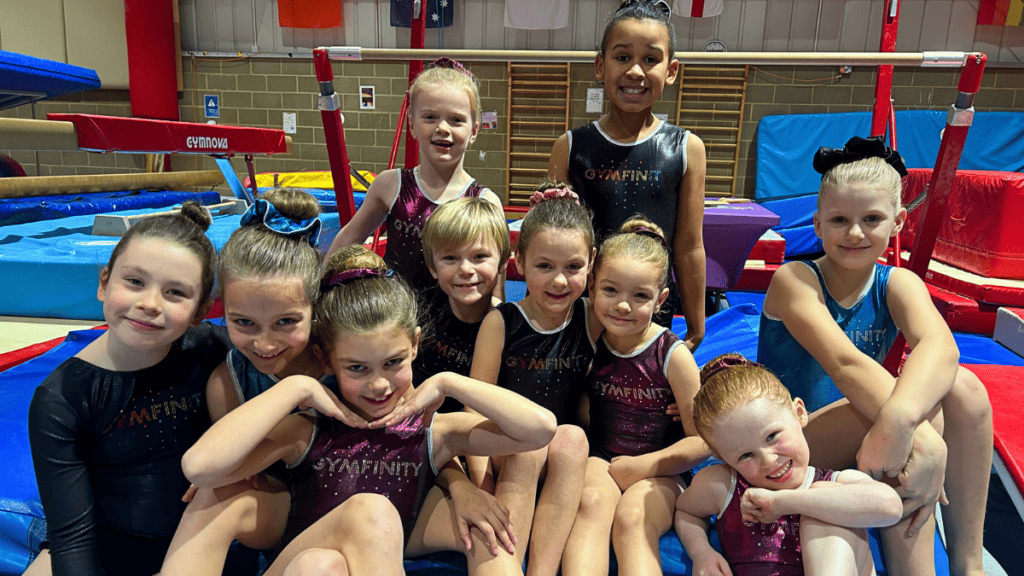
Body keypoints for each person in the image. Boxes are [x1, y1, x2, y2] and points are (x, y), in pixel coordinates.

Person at [179, 246, 558, 576]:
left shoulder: (432, 430)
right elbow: (199, 467)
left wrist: (447, 382)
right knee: (333, 550)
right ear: (326, 360)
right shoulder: (308, 429)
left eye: (393, 362)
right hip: (302, 562)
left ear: (414, 347)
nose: (379, 385)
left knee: (484, 533)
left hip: (394, 541)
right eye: (357, 369)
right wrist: (299, 387)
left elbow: (540, 430)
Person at [757, 136, 993, 576]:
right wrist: (921, 438)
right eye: (840, 220)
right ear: (817, 223)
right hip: (791, 441)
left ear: (898, 221)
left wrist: (903, 423)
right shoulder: (796, 280)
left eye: (871, 219)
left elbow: (941, 347)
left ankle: (968, 561)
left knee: (965, 390)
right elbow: (843, 364)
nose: (855, 233)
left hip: (866, 438)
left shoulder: (896, 284)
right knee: (915, 431)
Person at [26, 202, 227, 576]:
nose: (149, 304)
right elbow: (72, 538)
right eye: (134, 282)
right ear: (104, 283)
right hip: (109, 551)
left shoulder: (212, 349)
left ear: (201, 310)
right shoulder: (63, 399)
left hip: (202, 545)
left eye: (175, 293)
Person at [160, 188, 327, 576]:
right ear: (223, 311)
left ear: (314, 308)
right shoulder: (229, 383)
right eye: (244, 323)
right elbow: (240, 474)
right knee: (213, 496)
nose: (265, 344)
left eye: (286, 322)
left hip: (365, 497)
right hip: (289, 506)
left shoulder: (349, 361)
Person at [547, 0, 707, 348]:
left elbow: (690, 245)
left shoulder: (686, 148)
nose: (636, 71)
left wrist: (696, 325)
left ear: (671, 70)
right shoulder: (571, 146)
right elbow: (552, 240)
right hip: (584, 316)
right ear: (600, 66)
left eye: (650, 59)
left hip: (649, 316)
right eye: (622, 58)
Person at [563, 216, 709, 576]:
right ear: (592, 286)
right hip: (604, 457)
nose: (623, 306)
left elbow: (702, 442)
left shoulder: (671, 355)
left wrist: (643, 466)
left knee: (632, 517)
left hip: (662, 469)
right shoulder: (589, 341)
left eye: (639, 295)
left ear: (660, 300)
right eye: (611, 291)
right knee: (591, 502)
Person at [675, 354, 903, 576]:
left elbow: (890, 506)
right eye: (745, 455)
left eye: (772, 436)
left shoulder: (836, 482)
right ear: (722, 457)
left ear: (800, 413)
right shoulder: (725, 485)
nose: (768, 461)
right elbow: (686, 512)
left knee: (824, 500)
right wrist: (701, 553)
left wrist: (784, 502)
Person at [469, 193, 597, 576]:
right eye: (544, 266)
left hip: (563, 459)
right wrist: (481, 482)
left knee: (572, 437)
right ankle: (504, 565)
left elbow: (645, 342)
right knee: (530, 442)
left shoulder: (592, 317)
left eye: (574, 266)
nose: (559, 280)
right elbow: (474, 409)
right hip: (509, 453)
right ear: (519, 262)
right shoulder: (502, 322)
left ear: (592, 264)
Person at [327, 57, 503, 294]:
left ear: (473, 131)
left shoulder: (484, 202)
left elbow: (495, 282)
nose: (442, 127)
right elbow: (349, 237)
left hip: (459, 325)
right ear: (412, 125)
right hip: (397, 320)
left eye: (456, 120)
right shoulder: (390, 185)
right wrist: (318, 287)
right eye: (430, 117)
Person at [417, 196, 511, 406]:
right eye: (451, 258)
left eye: (479, 257)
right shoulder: (417, 312)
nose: (466, 270)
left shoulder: (511, 327)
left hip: (472, 431)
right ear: (433, 267)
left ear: (503, 261)